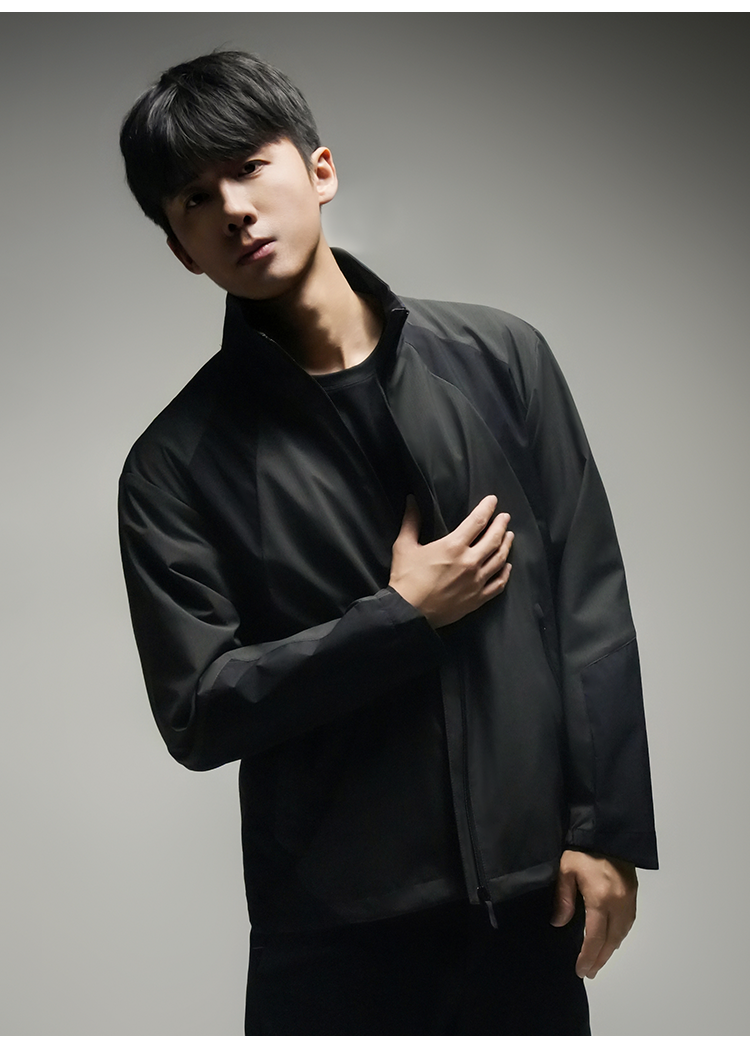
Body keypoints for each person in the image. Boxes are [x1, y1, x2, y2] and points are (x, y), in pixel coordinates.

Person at [118, 50, 657, 1035]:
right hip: (330, 933)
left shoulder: (502, 360)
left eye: (249, 166)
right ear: (181, 248)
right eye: (195, 198)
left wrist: (605, 829)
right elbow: (198, 712)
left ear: (318, 169)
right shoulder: (173, 466)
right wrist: (399, 618)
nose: (233, 207)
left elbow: (588, 599)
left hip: (524, 903)